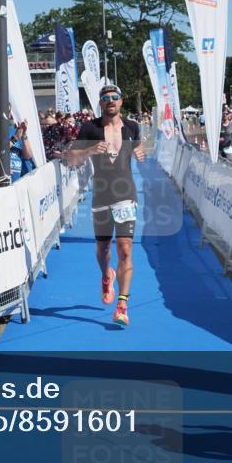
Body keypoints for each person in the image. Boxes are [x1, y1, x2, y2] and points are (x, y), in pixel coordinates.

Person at [65, 83, 145, 326]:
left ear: (121, 101)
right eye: (106, 97)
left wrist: (140, 153)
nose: (111, 100)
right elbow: (70, 160)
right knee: (103, 250)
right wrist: (89, 150)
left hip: (126, 195)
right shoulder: (90, 128)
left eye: (115, 97)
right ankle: (105, 274)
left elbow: (138, 147)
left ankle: (122, 305)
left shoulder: (132, 127)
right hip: (101, 196)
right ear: (100, 103)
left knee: (125, 249)